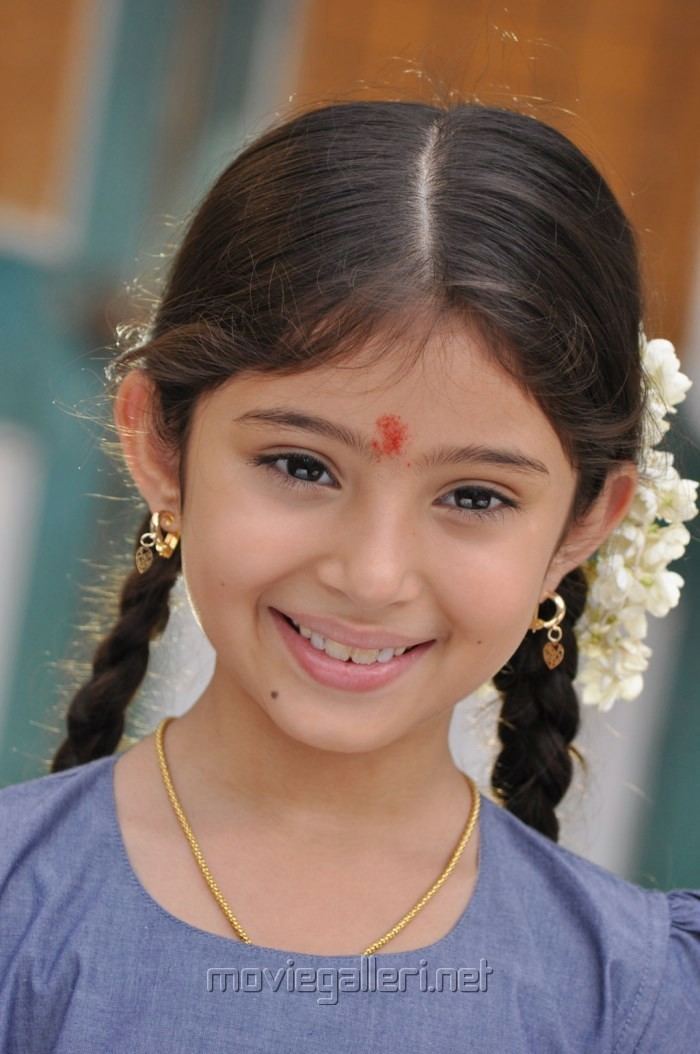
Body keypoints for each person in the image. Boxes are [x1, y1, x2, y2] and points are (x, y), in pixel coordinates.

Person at [0, 100, 698, 1053]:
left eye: (477, 497)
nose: (372, 576)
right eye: (301, 466)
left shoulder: (632, 1004)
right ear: (161, 446)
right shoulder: (20, 919)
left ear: (584, 524)